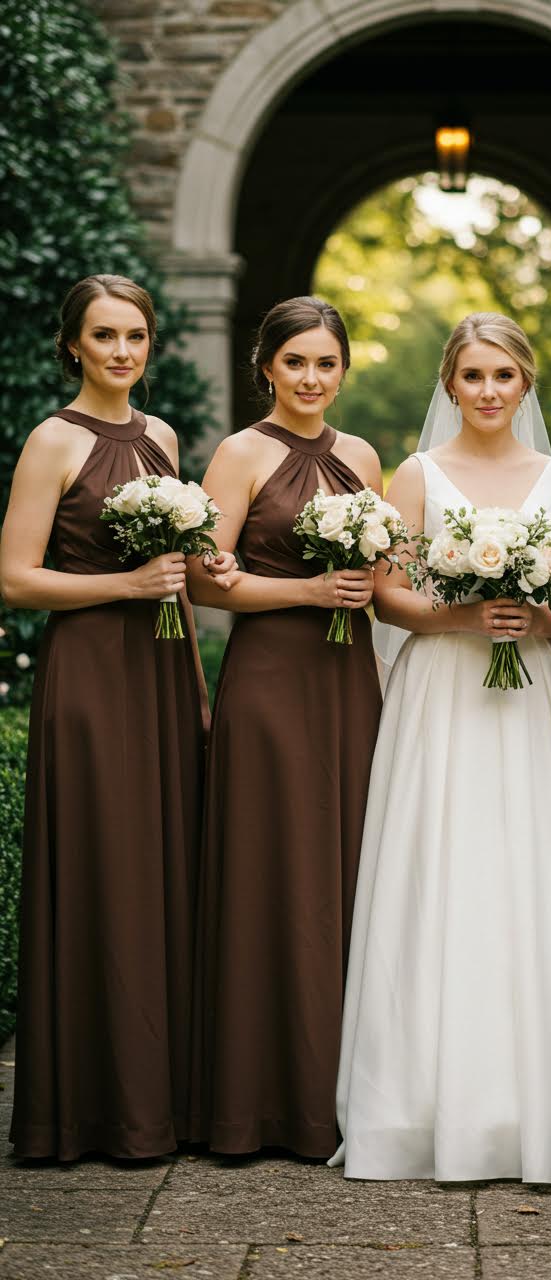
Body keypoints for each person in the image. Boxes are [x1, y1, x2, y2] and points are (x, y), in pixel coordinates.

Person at [330, 312, 551, 1184]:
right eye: (472, 376)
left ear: (526, 385)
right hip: (441, 689)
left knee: (536, 869)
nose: (487, 392)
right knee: (441, 869)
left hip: (533, 694)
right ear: (450, 383)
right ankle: (417, 1108)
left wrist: (539, 616)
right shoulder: (417, 473)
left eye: (503, 377)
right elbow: (385, 595)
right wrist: (461, 614)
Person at [0, 274, 231, 1160]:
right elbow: (17, 579)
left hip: (164, 667)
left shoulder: (163, 436)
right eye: (105, 337)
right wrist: (124, 585)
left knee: (164, 866)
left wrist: (200, 689)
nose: (123, 353)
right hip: (93, 673)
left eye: (135, 336)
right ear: (74, 346)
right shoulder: (52, 440)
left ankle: (160, 1099)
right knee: (103, 866)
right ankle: (87, 1111)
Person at [187, 296, 382, 1155]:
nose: (311, 378)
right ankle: (259, 1098)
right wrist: (307, 591)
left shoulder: (364, 455)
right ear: (265, 365)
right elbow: (203, 582)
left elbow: (384, 568)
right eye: (296, 361)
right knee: (272, 872)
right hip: (268, 682)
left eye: (326, 363)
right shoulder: (239, 453)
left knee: (350, 867)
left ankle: (348, 1091)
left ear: (344, 370)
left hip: (348, 681)